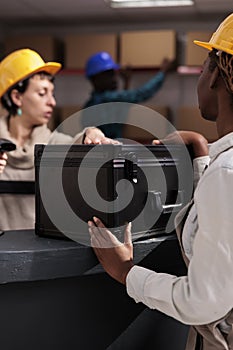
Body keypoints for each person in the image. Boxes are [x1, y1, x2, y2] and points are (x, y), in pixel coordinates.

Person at [88, 13, 233, 350]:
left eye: (201, 70)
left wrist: (126, 272)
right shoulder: (223, 169)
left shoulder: (225, 173)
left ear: (217, 78)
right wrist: (200, 149)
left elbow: (203, 302)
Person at [0, 48, 118, 231]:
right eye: (42, 93)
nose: (52, 102)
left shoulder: (53, 146)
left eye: (52, 93)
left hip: (40, 256)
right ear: (17, 97)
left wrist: (91, 134)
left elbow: (75, 144)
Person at [81, 51, 175, 139]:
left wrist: (126, 81)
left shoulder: (92, 103)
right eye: (109, 75)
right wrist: (163, 72)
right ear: (95, 79)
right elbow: (141, 94)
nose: (114, 79)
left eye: (114, 74)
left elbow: (122, 106)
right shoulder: (107, 99)